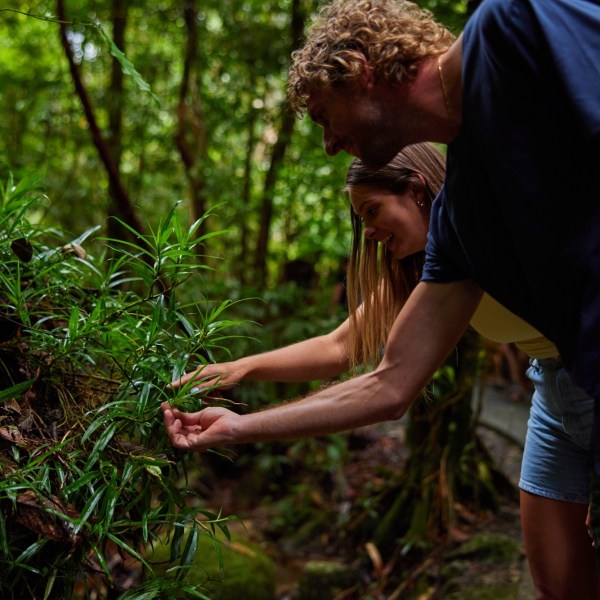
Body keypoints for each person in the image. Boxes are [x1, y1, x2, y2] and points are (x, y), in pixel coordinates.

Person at [163, 0, 600, 594]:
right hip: (566, 387)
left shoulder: (512, 25)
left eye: (323, 114)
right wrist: (236, 426)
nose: (326, 143)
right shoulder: (460, 220)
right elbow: (389, 381)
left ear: (357, 68)